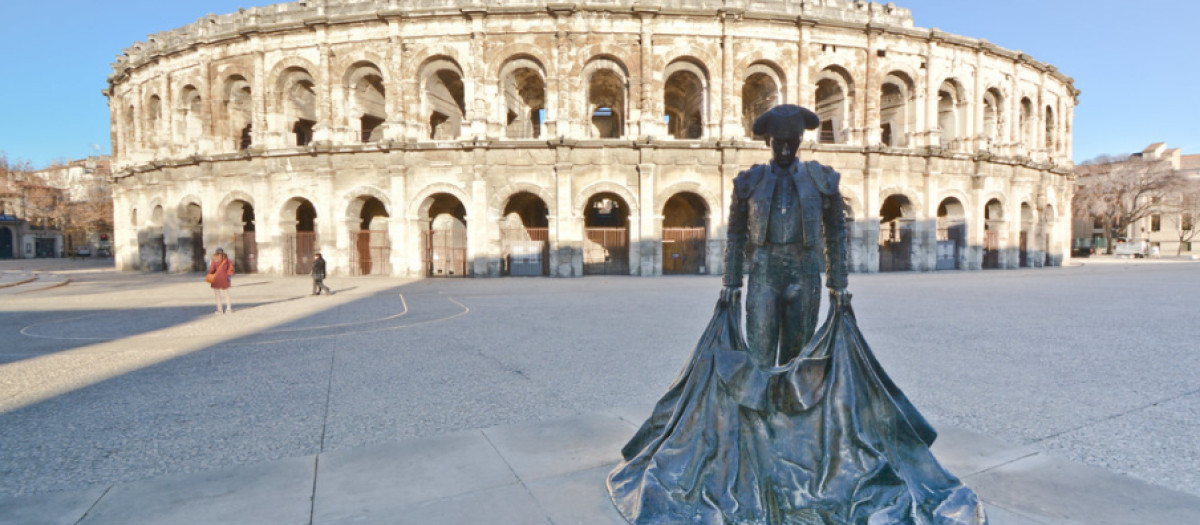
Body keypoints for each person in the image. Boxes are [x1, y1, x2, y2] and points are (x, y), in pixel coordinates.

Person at [720, 104, 849, 367]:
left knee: (797, 356)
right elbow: (736, 235)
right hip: (764, 272)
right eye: (779, 143)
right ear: (769, 141)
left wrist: (838, 282)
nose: (786, 150)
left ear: (801, 140)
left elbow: (836, 232)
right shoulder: (749, 180)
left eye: (792, 143)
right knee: (760, 353)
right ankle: (762, 405)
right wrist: (731, 282)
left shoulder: (821, 178)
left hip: (804, 271)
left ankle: (789, 407)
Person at [207, 247, 234, 314]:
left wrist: (210, 274)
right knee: (226, 294)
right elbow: (231, 268)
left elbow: (211, 269)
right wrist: (229, 275)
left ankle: (220, 310)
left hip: (216, 278)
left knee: (217, 295)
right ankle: (228, 308)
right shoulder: (227, 260)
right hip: (224, 278)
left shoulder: (214, 259)